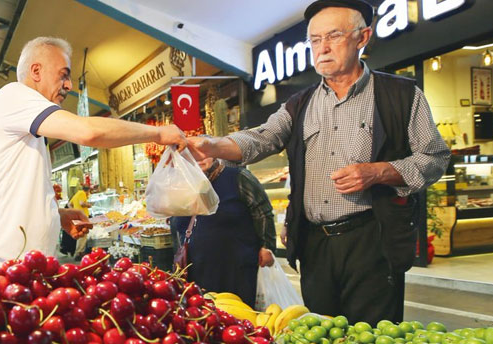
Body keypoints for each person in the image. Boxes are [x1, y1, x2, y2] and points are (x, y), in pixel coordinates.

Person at [186, 0, 450, 325]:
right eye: (314, 40)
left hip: (372, 238)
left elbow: (435, 156)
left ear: (362, 37)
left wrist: (380, 172)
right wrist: (214, 145)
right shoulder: (300, 104)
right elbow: (262, 137)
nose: (322, 48)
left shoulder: (402, 95)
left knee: (373, 337)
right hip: (314, 243)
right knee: (321, 335)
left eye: (333, 36)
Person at [0, 36, 187, 266]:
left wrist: (56, 215)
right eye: (63, 74)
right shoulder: (15, 96)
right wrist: (159, 134)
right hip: (4, 265)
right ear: (35, 71)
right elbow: (88, 132)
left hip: (18, 265)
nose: (68, 85)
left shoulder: (19, 114)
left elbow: (12, 190)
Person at [171, 159, 276, 308]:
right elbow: (176, 228)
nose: (198, 159)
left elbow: (263, 212)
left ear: (215, 154)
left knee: (238, 317)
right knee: (203, 319)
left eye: (204, 152)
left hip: (236, 271)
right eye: (192, 155)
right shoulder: (181, 185)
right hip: (196, 272)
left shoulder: (239, 177)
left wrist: (267, 246)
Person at [68, 184, 93, 257]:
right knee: (83, 234)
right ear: (88, 190)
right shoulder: (82, 193)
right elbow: (81, 203)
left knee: (80, 234)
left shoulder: (77, 194)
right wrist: (89, 205)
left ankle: (79, 251)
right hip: (82, 217)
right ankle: (79, 252)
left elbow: (69, 204)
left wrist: (74, 211)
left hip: (78, 217)